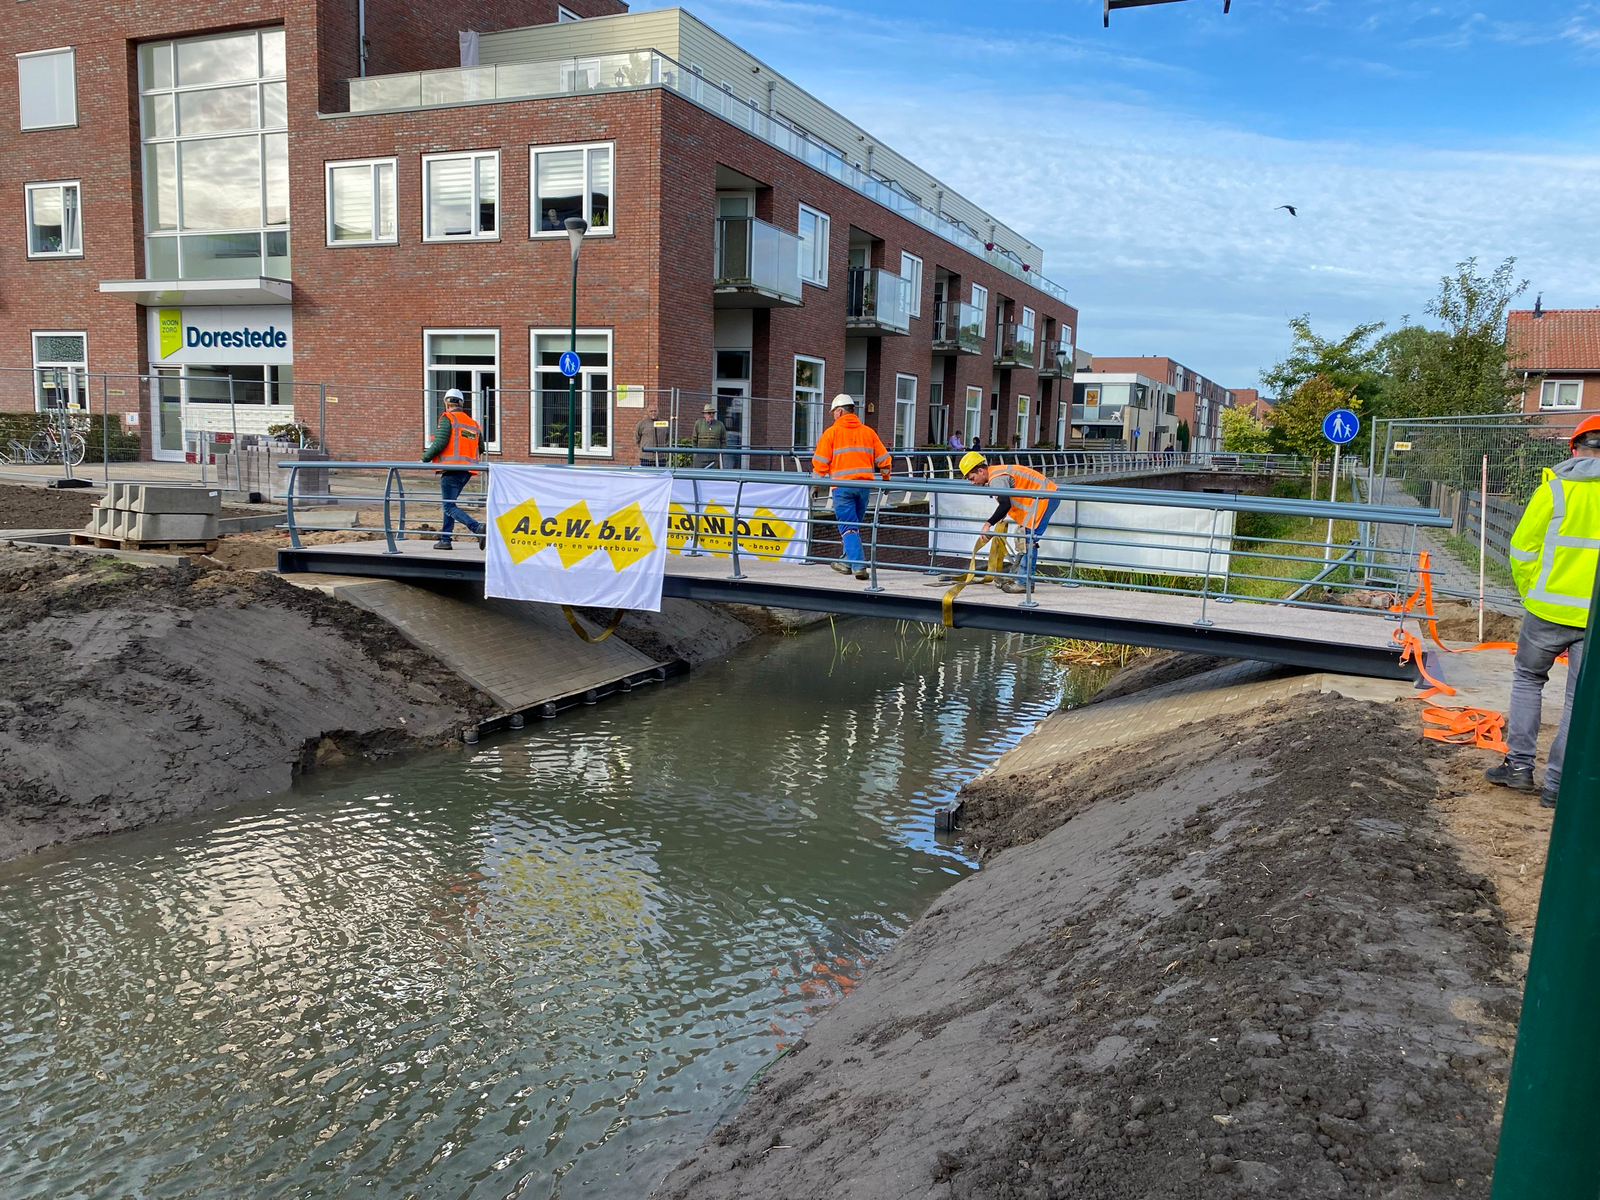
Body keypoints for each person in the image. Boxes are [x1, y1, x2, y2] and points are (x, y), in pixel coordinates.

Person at [1484, 415, 1600, 808]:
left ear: (1573, 448)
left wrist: (1531, 592)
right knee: (1577, 702)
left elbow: (1521, 550)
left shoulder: (1554, 490)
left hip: (1546, 609)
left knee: (1528, 679)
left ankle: (1518, 767)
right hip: (1595, 619)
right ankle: (1557, 788)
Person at [811, 394, 891, 580]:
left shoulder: (831, 433)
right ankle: (846, 563)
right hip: (864, 487)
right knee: (854, 527)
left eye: (833, 412)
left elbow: (820, 463)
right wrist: (886, 480)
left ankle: (858, 565)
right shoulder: (868, 432)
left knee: (848, 527)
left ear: (839, 411)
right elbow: (884, 460)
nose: (833, 416)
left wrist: (814, 485)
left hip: (842, 487)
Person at [959, 451, 1061, 594]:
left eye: (972, 478)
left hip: (1044, 500)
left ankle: (1023, 583)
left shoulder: (996, 479)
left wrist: (988, 523)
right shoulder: (996, 474)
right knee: (1023, 539)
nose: (973, 482)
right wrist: (1002, 513)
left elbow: (1005, 503)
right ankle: (1016, 576)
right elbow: (1007, 498)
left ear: (981, 471)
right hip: (1043, 498)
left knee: (1028, 541)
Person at [420, 388, 484, 551]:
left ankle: (477, 528)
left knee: (448, 506)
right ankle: (445, 539)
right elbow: (481, 447)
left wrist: (424, 459)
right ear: (462, 404)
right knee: (450, 504)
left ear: (447, 403)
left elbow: (440, 443)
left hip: (451, 469)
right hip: (466, 471)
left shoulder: (448, 418)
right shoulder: (473, 423)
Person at [692, 401, 728, 467]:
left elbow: (724, 440)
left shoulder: (720, 425)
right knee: (699, 475)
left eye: (713, 413)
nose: (711, 415)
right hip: (701, 457)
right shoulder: (698, 424)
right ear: (704, 414)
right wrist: (696, 452)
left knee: (713, 476)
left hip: (715, 457)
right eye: (709, 413)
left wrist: (721, 452)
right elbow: (694, 439)